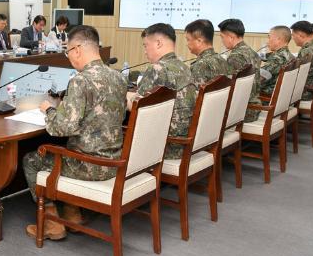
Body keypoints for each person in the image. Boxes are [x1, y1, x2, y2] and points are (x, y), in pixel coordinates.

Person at [23, 25, 126, 240]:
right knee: (67, 151)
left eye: (67, 52)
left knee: (31, 160)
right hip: (114, 162)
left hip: (88, 165)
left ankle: (52, 224)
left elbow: (61, 129)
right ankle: (73, 216)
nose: (68, 57)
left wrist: (49, 109)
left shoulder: (81, 80)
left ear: (77, 49)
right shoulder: (118, 77)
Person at [127, 23, 197, 160]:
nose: (145, 51)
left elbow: (136, 107)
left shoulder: (157, 69)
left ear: (158, 43)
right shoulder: (184, 67)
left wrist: (123, 97)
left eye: (145, 45)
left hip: (164, 146)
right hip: (185, 142)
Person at [218, 19, 261, 122]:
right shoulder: (252, 52)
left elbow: (230, 87)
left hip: (243, 111)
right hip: (254, 106)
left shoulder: (236, 56)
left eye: (222, 37)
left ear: (231, 37)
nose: (222, 41)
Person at [184, 19, 229, 86]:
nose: (186, 44)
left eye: (188, 40)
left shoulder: (200, 66)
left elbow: (192, 95)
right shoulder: (222, 60)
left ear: (199, 41)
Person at [290, 20, 313, 101]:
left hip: (305, 92)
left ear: (301, 35)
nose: (293, 38)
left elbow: (294, 74)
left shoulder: (306, 51)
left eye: (293, 35)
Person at [260, 25, 294, 97]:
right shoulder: (290, 55)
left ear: (278, 39)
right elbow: (266, 56)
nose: (267, 41)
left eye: (269, 37)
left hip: (268, 96)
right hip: (282, 96)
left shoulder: (277, 58)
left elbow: (259, 78)